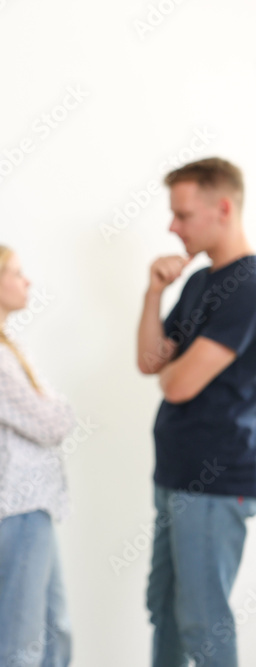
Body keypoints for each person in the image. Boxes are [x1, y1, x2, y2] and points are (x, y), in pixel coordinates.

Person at [137, 157, 256, 667]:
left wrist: (172, 370)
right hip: (176, 474)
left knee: (202, 621)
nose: (171, 225)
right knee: (163, 609)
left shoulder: (249, 286)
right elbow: (150, 362)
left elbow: (179, 384)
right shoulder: (199, 281)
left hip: (215, 478)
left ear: (223, 208)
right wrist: (153, 293)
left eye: (182, 214)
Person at [0, 245, 75, 667]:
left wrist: (53, 410)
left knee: (53, 628)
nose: (27, 282)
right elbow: (52, 422)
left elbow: (49, 415)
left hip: (33, 505)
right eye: (17, 273)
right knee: (19, 639)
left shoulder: (4, 346)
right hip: (16, 505)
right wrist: (58, 409)